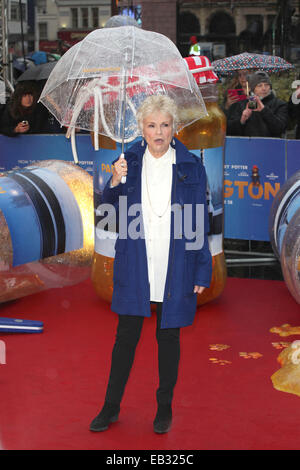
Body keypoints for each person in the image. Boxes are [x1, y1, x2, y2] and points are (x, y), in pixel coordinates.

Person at [90, 95, 212, 434]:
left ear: (174, 127)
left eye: (165, 125)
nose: (159, 132)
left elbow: (198, 221)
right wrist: (113, 182)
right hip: (136, 263)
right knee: (124, 339)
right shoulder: (127, 161)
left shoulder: (190, 166)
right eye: (151, 125)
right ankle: (110, 407)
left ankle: (164, 408)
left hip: (175, 264)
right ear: (142, 128)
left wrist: (202, 268)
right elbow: (107, 212)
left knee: (168, 338)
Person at [226, 71, 288, 138]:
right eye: (259, 85)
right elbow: (229, 130)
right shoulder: (242, 104)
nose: (264, 88)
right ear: (253, 89)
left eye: (266, 85)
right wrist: (242, 120)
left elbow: (280, 128)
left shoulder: (280, 104)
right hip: (246, 145)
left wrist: (264, 110)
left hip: (271, 145)